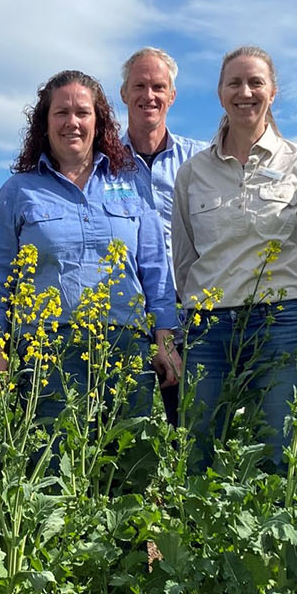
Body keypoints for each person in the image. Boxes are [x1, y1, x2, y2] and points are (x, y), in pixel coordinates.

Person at [0, 70, 181, 424]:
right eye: (61, 113)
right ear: (45, 122)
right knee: (53, 466)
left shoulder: (129, 183)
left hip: (124, 345)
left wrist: (164, 336)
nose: (73, 122)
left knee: (130, 466)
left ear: (98, 121)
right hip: (46, 351)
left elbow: (155, 267)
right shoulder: (19, 191)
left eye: (83, 112)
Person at [171, 46, 297, 470]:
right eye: (234, 83)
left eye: (256, 82)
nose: (245, 92)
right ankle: (199, 537)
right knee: (198, 449)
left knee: (277, 448)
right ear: (220, 93)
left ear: (272, 92)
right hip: (210, 327)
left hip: (280, 325)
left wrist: (278, 293)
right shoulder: (193, 172)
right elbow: (184, 257)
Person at [119, 47, 206, 423]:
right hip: (126, 321)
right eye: (139, 85)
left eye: (159, 86)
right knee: (125, 435)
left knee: (192, 431)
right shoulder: (102, 164)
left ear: (172, 95)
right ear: (123, 94)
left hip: (196, 319)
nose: (148, 96)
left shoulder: (202, 160)